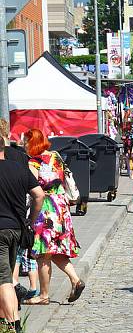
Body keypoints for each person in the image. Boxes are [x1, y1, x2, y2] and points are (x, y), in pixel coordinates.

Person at [23, 129, 85, 306]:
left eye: (26, 142)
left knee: (43, 253)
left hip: (46, 210)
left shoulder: (34, 163)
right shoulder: (56, 156)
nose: (24, 145)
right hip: (62, 208)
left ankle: (43, 295)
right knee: (55, 249)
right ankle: (76, 280)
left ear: (32, 142)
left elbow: (34, 189)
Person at [0, 136, 44, 331]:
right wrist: (31, 220)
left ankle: (14, 325)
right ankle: (8, 318)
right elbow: (39, 194)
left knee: (3, 280)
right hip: (17, 229)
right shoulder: (19, 167)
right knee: (6, 277)